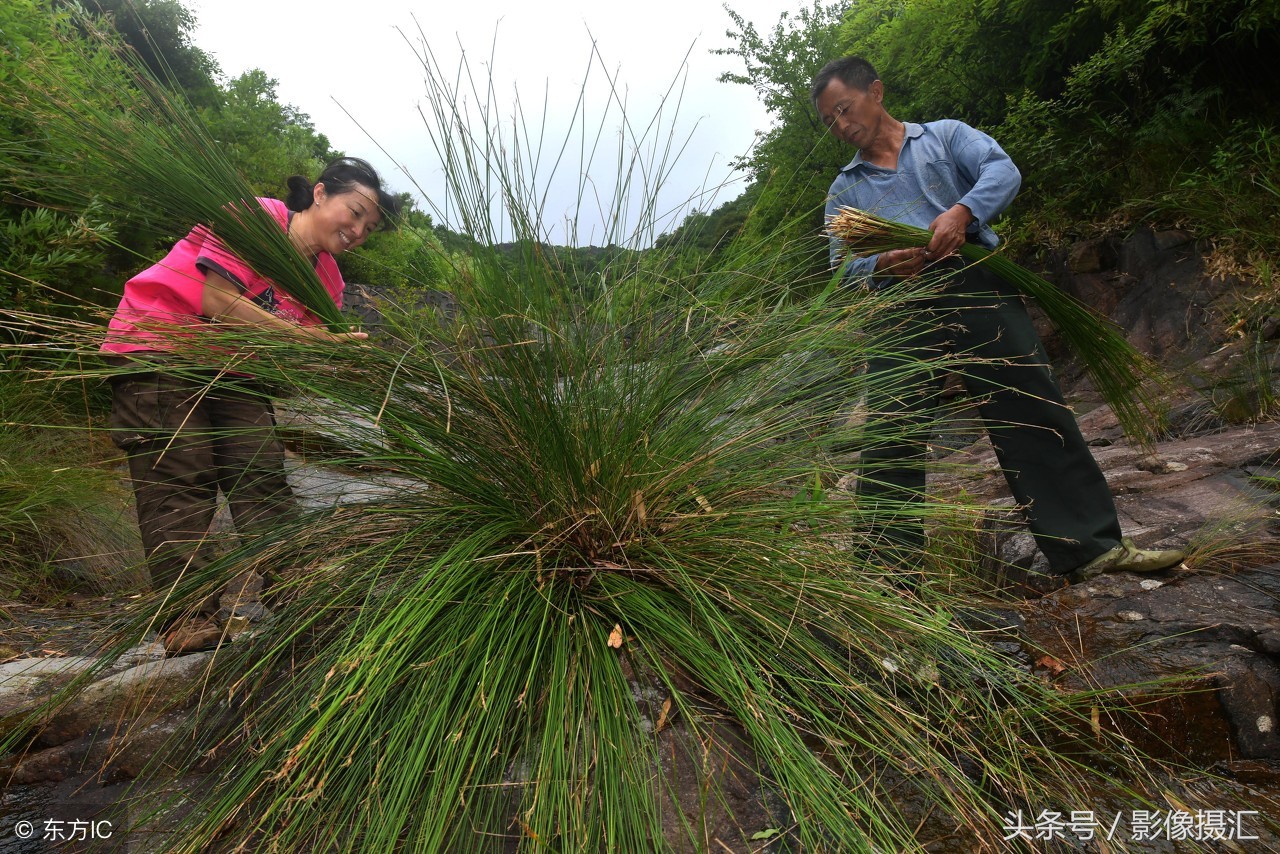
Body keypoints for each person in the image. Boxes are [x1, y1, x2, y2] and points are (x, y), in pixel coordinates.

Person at [811, 56, 1184, 590]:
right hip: (899, 306)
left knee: (1030, 404)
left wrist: (961, 214)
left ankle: (1091, 547)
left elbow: (1002, 170)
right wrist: (882, 264)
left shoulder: (942, 138)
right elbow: (840, 271)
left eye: (844, 109)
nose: (842, 126)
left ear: (876, 90)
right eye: (831, 121)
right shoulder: (843, 193)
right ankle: (885, 587)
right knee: (891, 432)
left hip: (975, 281)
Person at [101, 156, 401, 653]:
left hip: (235, 372)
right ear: (321, 194)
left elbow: (293, 352)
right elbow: (215, 300)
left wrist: (346, 362)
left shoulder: (328, 279)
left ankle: (302, 593)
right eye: (354, 213)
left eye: (368, 228)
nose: (357, 231)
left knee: (259, 475)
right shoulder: (254, 217)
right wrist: (316, 346)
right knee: (179, 477)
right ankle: (189, 620)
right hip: (159, 345)